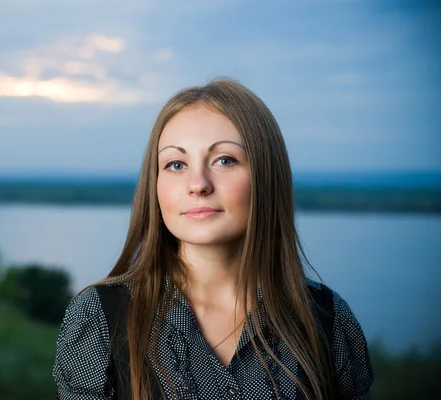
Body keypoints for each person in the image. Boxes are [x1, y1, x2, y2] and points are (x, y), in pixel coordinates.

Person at [53, 77, 374, 399]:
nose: (198, 184)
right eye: (176, 164)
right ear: (155, 184)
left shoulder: (327, 317)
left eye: (225, 160)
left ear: (266, 176)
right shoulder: (98, 316)